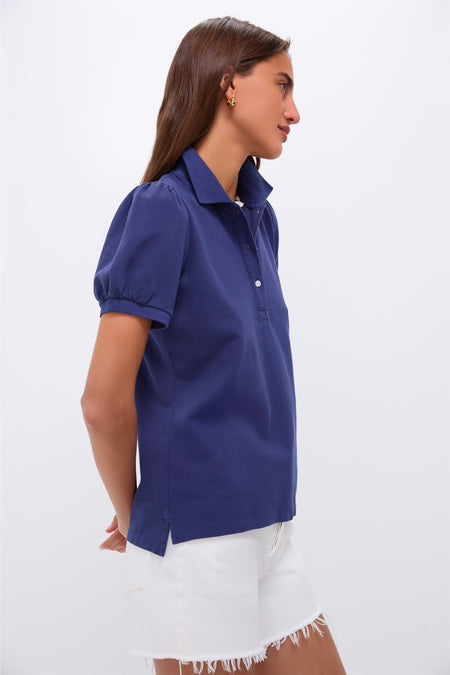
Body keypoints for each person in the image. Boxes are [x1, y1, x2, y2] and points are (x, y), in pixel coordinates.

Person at [81, 15, 347, 675]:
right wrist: (137, 514)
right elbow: (102, 401)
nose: (294, 110)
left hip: (271, 528)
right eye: (282, 86)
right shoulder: (161, 210)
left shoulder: (259, 217)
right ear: (229, 85)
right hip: (198, 544)